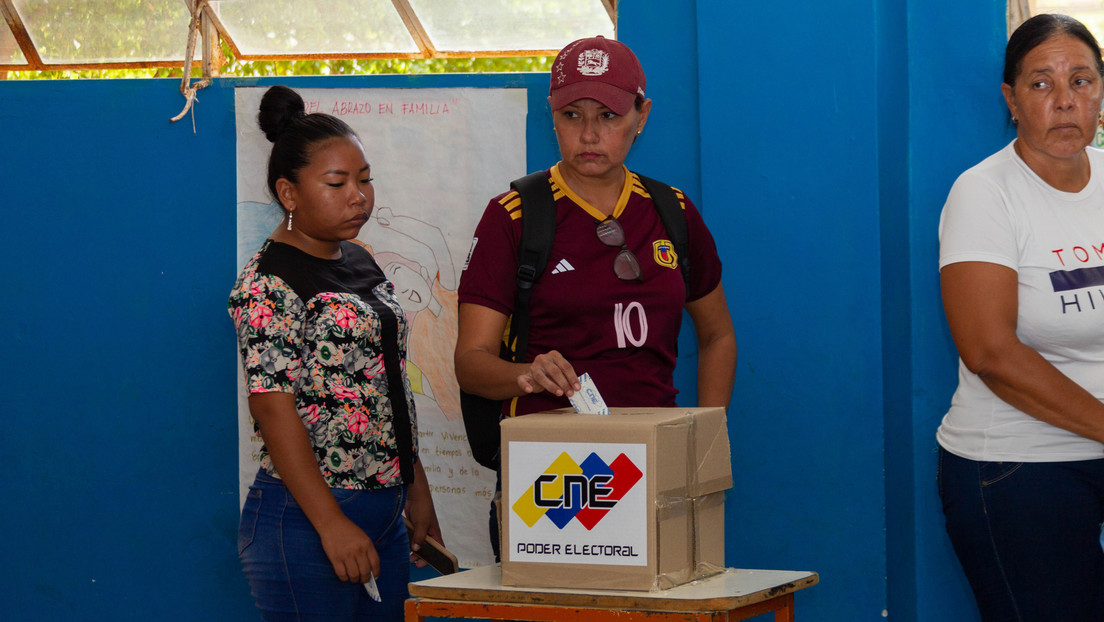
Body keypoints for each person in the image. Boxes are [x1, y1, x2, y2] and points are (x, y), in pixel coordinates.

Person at [454, 36, 737, 553]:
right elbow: (471, 363)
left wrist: (706, 441)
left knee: (664, 590)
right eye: (572, 116)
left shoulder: (672, 211)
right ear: (552, 116)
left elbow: (717, 335)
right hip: (550, 473)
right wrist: (526, 373)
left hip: (654, 461)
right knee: (560, 593)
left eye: (608, 116)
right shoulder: (514, 216)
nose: (589, 134)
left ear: (641, 115)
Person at [229, 85, 442, 621]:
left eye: (365, 179)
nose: (359, 196)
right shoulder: (269, 283)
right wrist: (330, 524)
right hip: (308, 520)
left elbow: (386, 382)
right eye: (337, 183)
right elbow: (272, 408)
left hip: (384, 509)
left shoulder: (361, 259)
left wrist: (414, 486)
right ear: (289, 192)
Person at [936, 13, 1104, 621]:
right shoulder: (984, 193)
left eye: (1080, 80)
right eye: (1040, 84)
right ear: (1011, 100)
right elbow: (990, 353)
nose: (1064, 101)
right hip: (1018, 465)